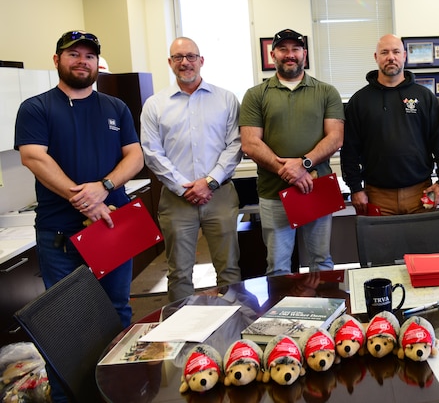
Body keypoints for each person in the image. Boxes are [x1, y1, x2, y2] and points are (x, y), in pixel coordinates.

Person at [14, 30, 144, 403]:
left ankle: (118, 390)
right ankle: (68, 397)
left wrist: (103, 186)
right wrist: (82, 197)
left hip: (112, 226)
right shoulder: (36, 107)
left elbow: (134, 157)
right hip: (61, 237)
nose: (82, 61)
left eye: (89, 55)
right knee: (67, 323)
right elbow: (34, 157)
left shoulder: (115, 108)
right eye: (73, 54)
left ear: (97, 64)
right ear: (57, 60)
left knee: (118, 310)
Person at [140, 37, 243, 302]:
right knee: (178, 273)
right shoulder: (155, 104)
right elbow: (152, 152)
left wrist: (209, 182)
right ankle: (182, 332)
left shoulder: (226, 99)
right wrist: (183, 187)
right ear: (170, 62)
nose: (185, 62)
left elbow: (235, 145)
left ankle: (232, 327)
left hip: (219, 194)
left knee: (229, 269)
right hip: (176, 199)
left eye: (190, 56)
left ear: (201, 60)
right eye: (178, 57)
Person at [239, 29, 344, 276]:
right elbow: (250, 143)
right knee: (278, 266)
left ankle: (328, 311)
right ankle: (282, 316)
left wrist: (304, 164)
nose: (290, 55)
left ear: (304, 54)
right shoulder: (256, 95)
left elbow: (336, 137)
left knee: (322, 262)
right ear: (272, 54)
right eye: (283, 50)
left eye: (295, 49)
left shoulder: (326, 92)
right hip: (274, 193)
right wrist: (289, 172)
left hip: (317, 187)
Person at [341, 34, 439, 215]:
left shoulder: (425, 97)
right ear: (376, 57)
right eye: (384, 52)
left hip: (421, 193)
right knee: (381, 244)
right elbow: (349, 150)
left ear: (404, 56)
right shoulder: (360, 101)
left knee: (421, 244)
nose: (391, 57)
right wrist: (355, 188)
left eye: (396, 52)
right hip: (377, 196)